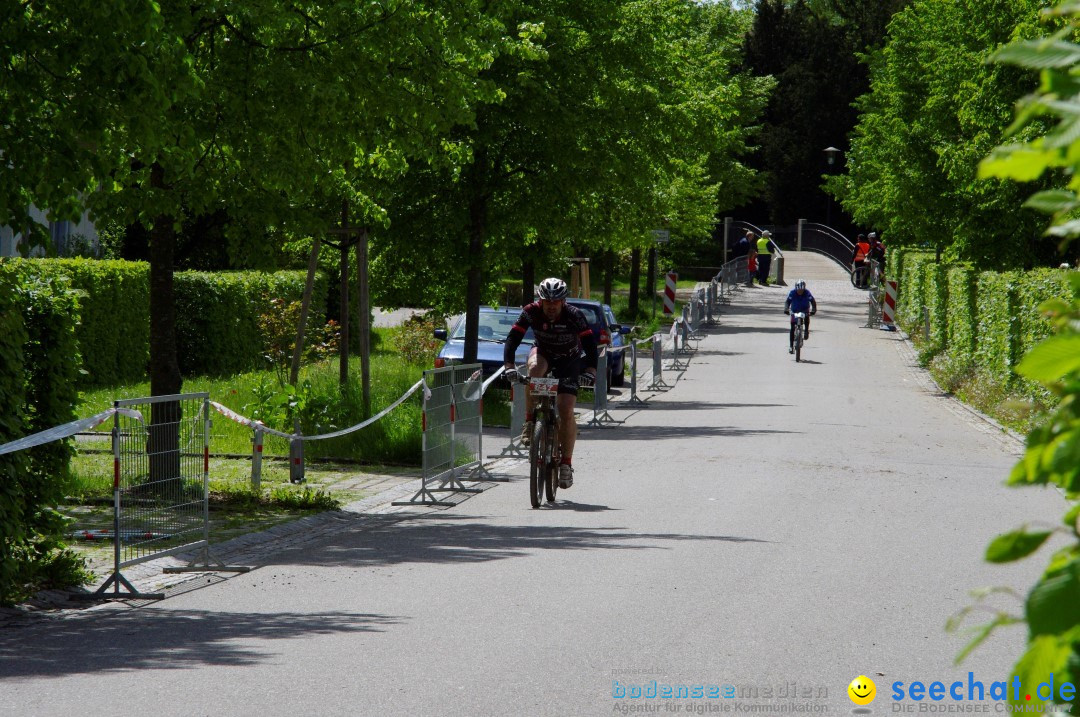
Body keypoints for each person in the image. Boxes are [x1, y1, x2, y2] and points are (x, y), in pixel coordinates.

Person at [503, 277, 598, 489]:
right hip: (544, 353)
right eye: (548, 302)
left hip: (570, 360)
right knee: (534, 369)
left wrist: (591, 371)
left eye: (556, 302)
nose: (552, 307)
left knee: (565, 409)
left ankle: (566, 463)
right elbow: (513, 338)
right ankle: (530, 422)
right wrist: (509, 366)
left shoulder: (574, 315)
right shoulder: (531, 311)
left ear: (563, 301)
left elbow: (591, 345)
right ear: (540, 301)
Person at [784, 279, 818, 353]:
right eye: (799, 290)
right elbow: (787, 302)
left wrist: (814, 310)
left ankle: (806, 330)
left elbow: (813, 301)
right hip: (794, 310)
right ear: (796, 288)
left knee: (807, 316)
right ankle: (791, 346)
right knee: (792, 328)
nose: (800, 292)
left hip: (804, 310)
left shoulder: (807, 293)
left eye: (802, 290)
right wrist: (786, 309)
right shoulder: (792, 293)